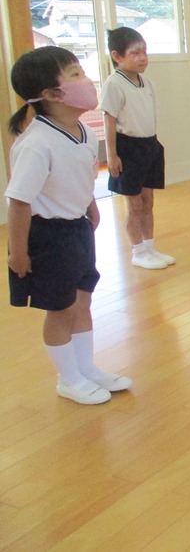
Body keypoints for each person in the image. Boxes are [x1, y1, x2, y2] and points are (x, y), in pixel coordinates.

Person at [7, 46, 132, 405]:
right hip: (46, 236)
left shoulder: (84, 133)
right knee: (60, 308)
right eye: (75, 74)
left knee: (82, 300)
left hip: (76, 229)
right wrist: (18, 253)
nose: (86, 80)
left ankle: (86, 368)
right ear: (51, 94)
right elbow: (19, 202)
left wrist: (90, 207)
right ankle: (68, 378)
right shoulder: (36, 143)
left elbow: (81, 175)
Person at [101, 27, 175, 270]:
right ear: (117, 56)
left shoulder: (147, 83)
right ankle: (137, 251)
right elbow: (109, 120)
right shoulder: (114, 84)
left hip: (149, 144)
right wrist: (112, 155)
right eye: (135, 53)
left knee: (148, 200)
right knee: (134, 204)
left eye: (144, 52)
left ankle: (150, 246)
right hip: (128, 148)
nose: (143, 58)